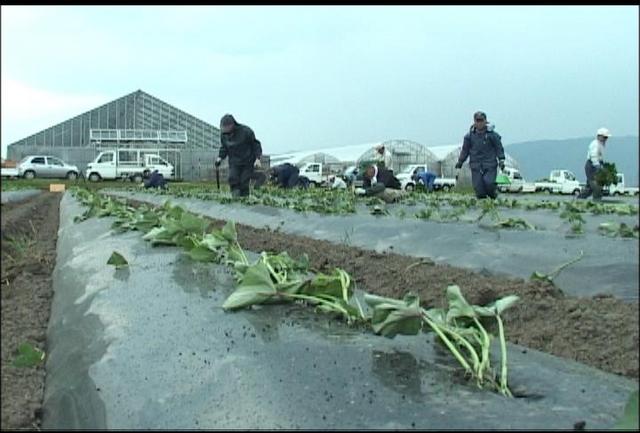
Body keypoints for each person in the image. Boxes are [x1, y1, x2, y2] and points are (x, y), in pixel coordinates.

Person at [454, 111, 505, 199]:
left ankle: (493, 196)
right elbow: (465, 150)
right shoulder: (469, 137)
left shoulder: (492, 135)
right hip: (476, 165)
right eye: (477, 121)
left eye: (481, 120)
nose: (479, 123)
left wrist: (501, 159)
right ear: (474, 121)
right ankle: (483, 206)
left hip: (490, 164)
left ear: (485, 121)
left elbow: (498, 147)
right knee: (478, 188)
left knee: (489, 183)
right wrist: (460, 162)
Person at [215, 114, 262, 197]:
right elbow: (224, 148)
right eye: (223, 127)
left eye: (227, 127)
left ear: (232, 125)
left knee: (244, 181)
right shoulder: (223, 136)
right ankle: (235, 199)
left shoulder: (246, 131)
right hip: (234, 162)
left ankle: (244, 200)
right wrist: (220, 157)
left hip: (247, 161)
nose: (225, 129)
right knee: (233, 178)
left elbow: (256, 145)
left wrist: (257, 158)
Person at [578, 127, 611, 201]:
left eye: (606, 137)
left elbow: (600, 157)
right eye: (605, 137)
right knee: (596, 187)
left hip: (596, 165)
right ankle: (596, 202)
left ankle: (579, 200)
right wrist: (598, 167)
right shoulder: (595, 144)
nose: (606, 139)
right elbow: (594, 156)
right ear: (599, 136)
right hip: (592, 166)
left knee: (589, 188)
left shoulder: (601, 144)